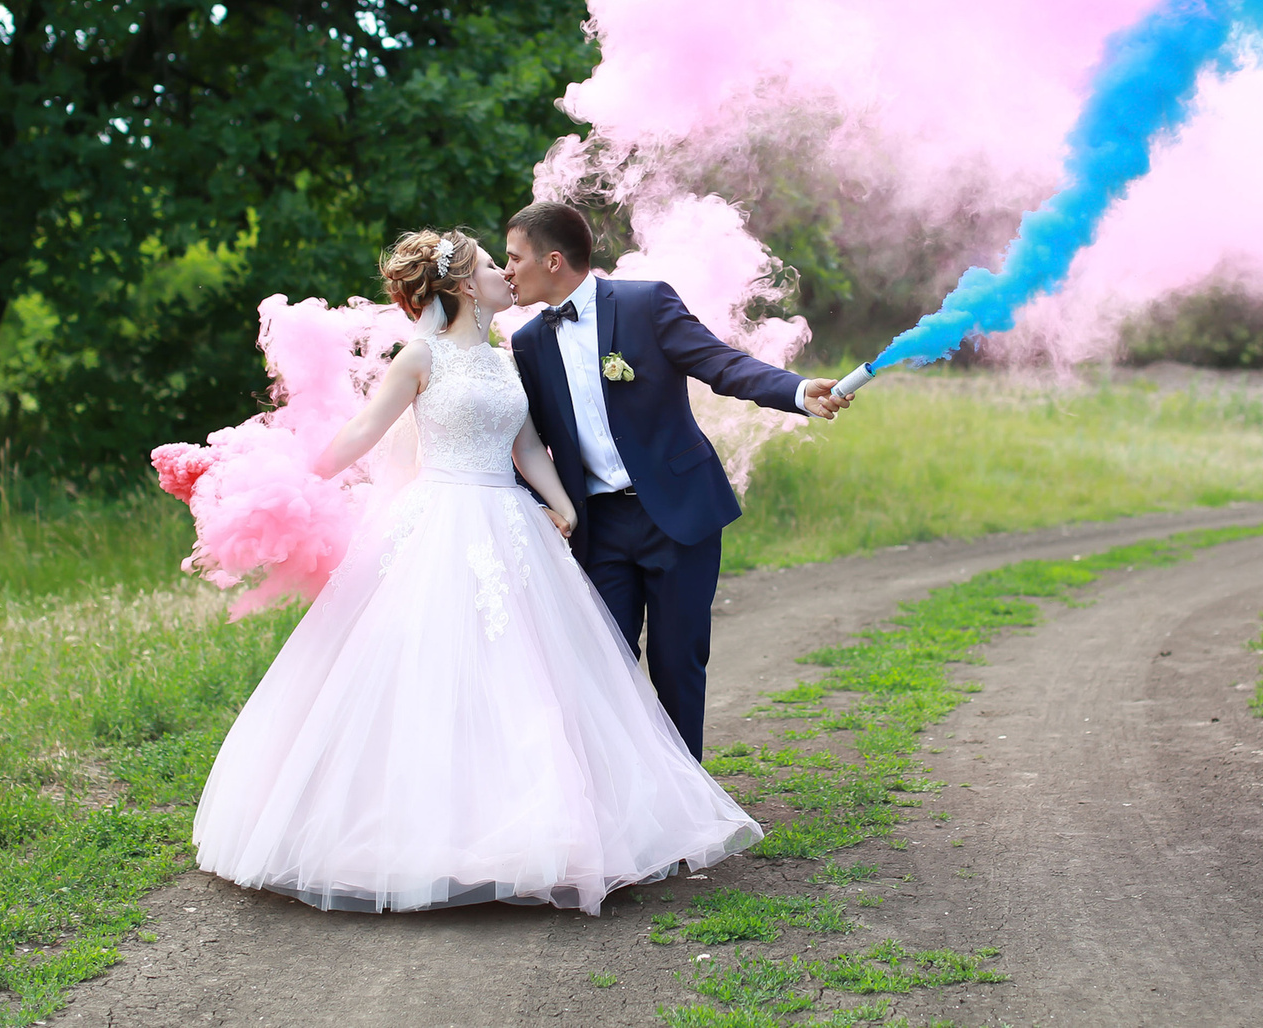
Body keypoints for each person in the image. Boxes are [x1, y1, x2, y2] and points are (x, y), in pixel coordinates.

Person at [190, 229, 762, 913]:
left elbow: (524, 442)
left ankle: (541, 821)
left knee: (533, 676)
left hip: (511, 522)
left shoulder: (504, 357)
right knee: (433, 671)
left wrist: (561, 505)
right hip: (440, 522)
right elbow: (362, 433)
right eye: (494, 267)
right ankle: (421, 831)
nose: (504, 275)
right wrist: (288, 481)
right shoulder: (420, 356)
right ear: (464, 285)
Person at [501, 202, 852, 760]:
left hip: (678, 516)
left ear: (552, 260)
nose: (506, 272)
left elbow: (721, 364)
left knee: (677, 663)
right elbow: (527, 442)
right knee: (602, 666)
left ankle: (690, 814)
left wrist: (796, 390)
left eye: (514, 258)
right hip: (597, 528)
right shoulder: (526, 343)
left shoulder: (646, 303)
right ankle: (627, 810)